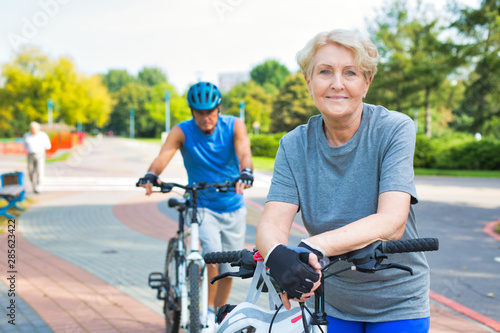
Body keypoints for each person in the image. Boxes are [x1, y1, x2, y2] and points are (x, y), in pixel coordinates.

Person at [256, 29, 431, 333]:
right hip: (331, 302)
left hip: (398, 301)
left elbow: (392, 221)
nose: (337, 83)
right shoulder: (293, 145)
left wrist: (313, 245)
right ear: (309, 82)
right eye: (325, 72)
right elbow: (272, 223)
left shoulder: (393, 129)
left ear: (366, 83)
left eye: (350, 72)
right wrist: (276, 255)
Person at [138, 81, 254, 320]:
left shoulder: (234, 126)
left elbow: (244, 152)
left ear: (218, 109)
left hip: (233, 205)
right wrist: (152, 174)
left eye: (210, 112)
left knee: (229, 268)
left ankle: (216, 315)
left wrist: (246, 172)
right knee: (211, 254)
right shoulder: (182, 131)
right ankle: (203, 314)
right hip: (202, 205)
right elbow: (163, 155)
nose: (205, 118)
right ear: (192, 111)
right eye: (199, 113)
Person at [23, 121, 51, 193]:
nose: (33, 130)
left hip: (40, 154)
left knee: (39, 171)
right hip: (30, 154)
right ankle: (34, 185)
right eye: (32, 128)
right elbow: (25, 145)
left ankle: (39, 186)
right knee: (30, 171)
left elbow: (48, 146)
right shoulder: (27, 135)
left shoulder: (43, 135)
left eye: (34, 128)